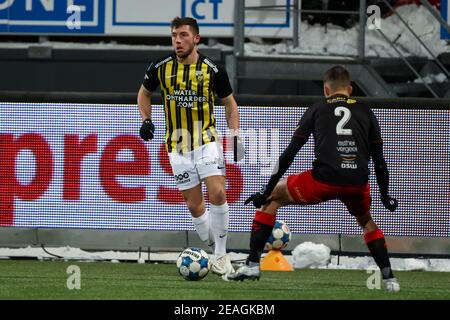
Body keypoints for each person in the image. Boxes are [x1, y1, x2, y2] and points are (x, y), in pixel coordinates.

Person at [227, 66, 400, 292]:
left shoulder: (318, 108)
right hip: (357, 183)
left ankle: (251, 265)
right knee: (366, 222)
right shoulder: (366, 111)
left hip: (323, 181)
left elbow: (289, 153)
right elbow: (379, 161)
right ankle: (389, 279)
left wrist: (265, 190)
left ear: (326, 90)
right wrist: (385, 195)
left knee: (273, 198)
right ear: (350, 89)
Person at [137, 16, 243, 278]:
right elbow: (143, 93)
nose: (177, 40)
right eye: (174, 35)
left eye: (183, 35)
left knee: (218, 193)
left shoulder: (212, 69)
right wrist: (146, 119)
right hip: (177, 146)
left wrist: (236, 137)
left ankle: (220, 255)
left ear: (196, 39)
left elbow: (230, 105)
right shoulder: (160, 67)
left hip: (206, 141)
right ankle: (213, 248)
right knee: (195, 206)